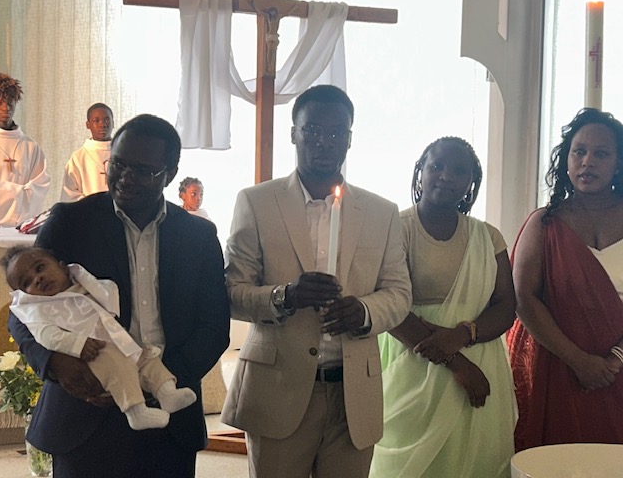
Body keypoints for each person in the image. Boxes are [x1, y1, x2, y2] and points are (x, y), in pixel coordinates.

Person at [8, 114, 230, 477]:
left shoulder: (198, 236)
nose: (125, 178)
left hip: (169, 416)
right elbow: (22, 308)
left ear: (169, 175)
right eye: (119, 164)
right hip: (86, 405)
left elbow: (213, 327)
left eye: (143, 170)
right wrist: (56, 364)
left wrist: (161, 381)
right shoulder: (71, 222)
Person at [222, 85, 412, 478]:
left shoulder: (381, 212)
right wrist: (285, 296)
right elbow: (232, 293)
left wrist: (363, 311)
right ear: (294, 133)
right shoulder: (257, 202)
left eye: (336, 132)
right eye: (313, 130)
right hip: (278, 387)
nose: (324, 141)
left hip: (352, 393)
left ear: (349, 139)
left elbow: (399, 293)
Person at [370, 137, 518, 478]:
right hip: (415, 363)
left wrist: (463, 336)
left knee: (475, 462)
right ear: (419, 171)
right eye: (436, 166)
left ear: (471, 182)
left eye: (459, 170)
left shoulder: (488, 236)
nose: (446, 176)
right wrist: (456, 361)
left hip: (481, 357)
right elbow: (388, 305)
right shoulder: (395, 230)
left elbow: (506, 305)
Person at [508, 108, 623, 450]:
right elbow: (523, 297)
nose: (588, 162)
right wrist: (579, 361)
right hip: (558, 368)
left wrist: (616, 359)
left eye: (601, 154)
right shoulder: (544, 223)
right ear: (566, 159)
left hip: (618, 369)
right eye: (579, 151)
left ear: (618, 163)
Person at [1, 245, 197, 431]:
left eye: (40, 268)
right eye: (27, 283)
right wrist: (78, 346)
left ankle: (167, 393)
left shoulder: (82, 283)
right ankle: (136, 411)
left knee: (147, 358)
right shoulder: (39, 310)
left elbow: (105, 290)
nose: (38, 278)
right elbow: (46, 336)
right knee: (119, 366)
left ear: (62, 267)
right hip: (94, 352)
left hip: (119, 338)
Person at [0, 72, 50, 228]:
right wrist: (18, 194)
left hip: (22, 224)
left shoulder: (30, 146)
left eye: (10, 102)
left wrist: (2, 193)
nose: (6, 108)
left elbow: (40, 185)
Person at [60, 103, 114, 202]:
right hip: (88, 210)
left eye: (107, 120)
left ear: (113, 123)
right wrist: (92, 206)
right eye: (96, 121)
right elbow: (70, 194)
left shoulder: (123, 154)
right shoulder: (78, 158)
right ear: (88, 125)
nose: (102, 125)